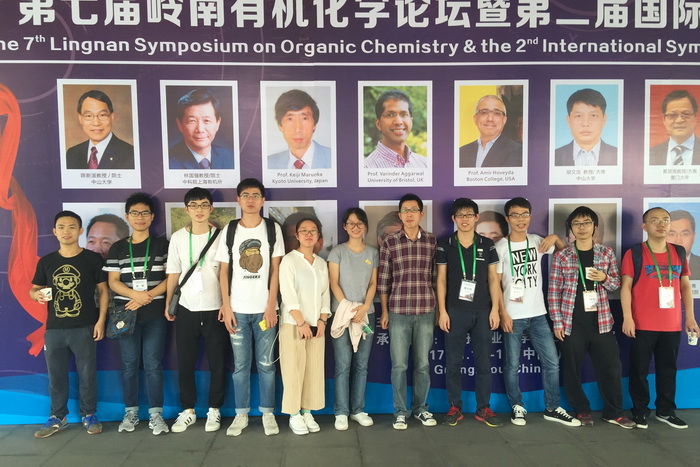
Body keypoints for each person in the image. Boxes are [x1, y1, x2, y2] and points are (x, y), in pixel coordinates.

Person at [495, 197, 580, 427]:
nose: (520, 219)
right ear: (507, 219)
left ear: (530, 217)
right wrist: (503, 313)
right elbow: (494, 284)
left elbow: (566, 255)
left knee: (552, 362)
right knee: (512, 365)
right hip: (512, 315)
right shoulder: (500, 247)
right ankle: (517, 406)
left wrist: (555, 238)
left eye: (524, 214)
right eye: (515, 215)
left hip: (538, 314)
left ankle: (552, 407)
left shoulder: (536, 241)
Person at [548, 206, 634, 428]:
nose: (582, 227)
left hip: (601, 322)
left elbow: (616, 284)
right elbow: (554, 291)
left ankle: (614, 412)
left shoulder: (606, 253)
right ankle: (581, 410)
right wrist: (557, 322)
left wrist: (604, 278)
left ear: (594, 226)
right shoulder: (562, 256)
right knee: (572, 369)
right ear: (571, 228)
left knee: (611, 368)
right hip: (571, 323)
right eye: (576, 223)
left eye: (586, 222)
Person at [215, 178, 285, 437]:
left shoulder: (272, 229)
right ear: (238, 200)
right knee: (240, 366)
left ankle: (268, 412)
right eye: (246, 195)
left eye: (256, 195)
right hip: (237, 311)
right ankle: (241, 413)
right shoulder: (230, 230)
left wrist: (271, 305)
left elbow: (276, 270)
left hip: (265, 311)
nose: (251, 200)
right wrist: (226, 306)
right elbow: (223, 272)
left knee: (267, 365)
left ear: (263, 200)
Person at [30, 211, 108, 438]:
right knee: (56, 376)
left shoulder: (93, 259)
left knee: (87, 375)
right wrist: (36, 295)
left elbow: (103, 291)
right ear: (54, 232)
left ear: (80, 231)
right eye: (62, 227)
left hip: (85, 327)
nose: (66, 231)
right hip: (54, 329)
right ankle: (57, 417)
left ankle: (89, 415)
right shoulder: (46, 262)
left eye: (72, 227)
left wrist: (101, 321)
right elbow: (33, 289)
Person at [620, 207, 699, 429]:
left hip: (671, 324)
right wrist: (627, 317)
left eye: (665, 220)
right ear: (645, 226)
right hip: (642, 323)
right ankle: (640, 411)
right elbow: (625, 287)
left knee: (668, 370)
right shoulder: (635, 253)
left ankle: (665, 411)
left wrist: (690, 317)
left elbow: (685, 286)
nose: (661, 224)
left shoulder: (679, 253)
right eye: (654, 220)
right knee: (639, 371)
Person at [104, 192, 170, 435]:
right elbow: (113, 281)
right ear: (127, 216)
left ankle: (156, 414)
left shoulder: (163, 245)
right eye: (135, 213)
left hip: (155, 313)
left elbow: (171, 278)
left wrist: (147, 295)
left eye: (144, 213)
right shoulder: (118, 248)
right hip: (126, 314)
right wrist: (135, 295)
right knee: (129, 365)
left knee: (153, 365)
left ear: (152, 217)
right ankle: (130, 412)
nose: (140, 217)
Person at [164, 187, 228, 433]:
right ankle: (188, 409)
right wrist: (169, 304)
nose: (199, 210)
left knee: (218, 362)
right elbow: (173, 273)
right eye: (194, 205)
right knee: (186, 362)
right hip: (186, 308)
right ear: (186, 209)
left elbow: (227, 274)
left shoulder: (221, 236)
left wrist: (226, 304)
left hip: (216, 308)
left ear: (211, 208)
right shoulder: (178, 238)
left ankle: (214, 409)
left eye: (203, 205)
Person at [436, 198, 503, 427]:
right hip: (455, 311)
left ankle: (484, 407)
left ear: (476, 217)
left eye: (469, 215)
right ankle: (455, 406)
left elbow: (493, 279)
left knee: (484, 363)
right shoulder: (445, 245)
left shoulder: (487, 244)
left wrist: (495, 310)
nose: (464, 219)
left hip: (483, 311)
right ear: (453, 219)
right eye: (460, 215)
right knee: (453, 363)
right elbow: (441, 280)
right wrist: (442, 311)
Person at [378, 193, 437, 430]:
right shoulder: (390, 242)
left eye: (414, 210)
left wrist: (439, 310)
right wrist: (384, 311)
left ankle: (421, 409)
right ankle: (400, 411)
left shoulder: (431, 241)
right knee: (399, 365)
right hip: (398, 311)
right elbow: (384, 280)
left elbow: (436, 278)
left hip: (426, 310)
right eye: (405, 210)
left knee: (422, 365)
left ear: (421, 213)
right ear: (400, 214)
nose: (409, 214)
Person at [278, 217, 331, 435]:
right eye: (304, 231)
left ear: (319, 236)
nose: (308, 234)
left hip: (316, 325)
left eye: (313, 231)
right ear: (297, 235)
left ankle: (307, 411)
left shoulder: (321, 263)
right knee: (293, 369)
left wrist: (323, 319)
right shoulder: (289, 261)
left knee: (313, 369)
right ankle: (294, 414)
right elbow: (288, 294)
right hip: (294, 324)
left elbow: (325, 294)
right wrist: (301, 322)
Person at [328, 208, 378, 431]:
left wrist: (364, 307)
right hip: (342, 314)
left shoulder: (372, 253)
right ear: (344, 227)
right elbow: (334, 283)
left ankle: (358, 410)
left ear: (365, 226)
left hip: (365, 315)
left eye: (359, 223)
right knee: (343, 365)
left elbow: (373, 283)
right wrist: (349, 309)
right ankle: (341, 412)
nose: (355, 227)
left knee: (362, 366)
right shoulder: (337, 252)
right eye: (351, 223)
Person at [66, 90, 134, 170]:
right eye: (88, 116)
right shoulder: (72, 154)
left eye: (102, 115)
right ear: (80, 118)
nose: (96, 123)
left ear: (112, 117)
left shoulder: (131, 154)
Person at [169, 88, 234, 170]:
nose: (200, 129)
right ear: (180, 125)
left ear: (218, 123)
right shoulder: (167, 161)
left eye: (206, 120)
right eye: (192, 121)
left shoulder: (230, 158)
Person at [267, 89, 332, 170]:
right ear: (280, 126)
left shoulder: (334, 158)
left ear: (314, 124)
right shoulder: (269, 163)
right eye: (290, 119)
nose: (298, 129)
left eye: (304, 118)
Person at [364, 90, 428, 169]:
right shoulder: (367, 168)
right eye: (390, 115)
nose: (398, 122)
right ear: (378, 124)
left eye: (404, 114)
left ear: (411, 121)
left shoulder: (425, 164)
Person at [554, 88, 617, 166]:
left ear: (604, 119)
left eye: (593, 116)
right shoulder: (554, 157)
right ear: (569, 120)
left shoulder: (618, 155)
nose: (585, 124)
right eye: (578, 116)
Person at [459, 95, 522, 168]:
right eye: (484, 112)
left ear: (504, 120)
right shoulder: (461, 152)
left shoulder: (517, 151)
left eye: (497, 113)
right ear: (475, 119)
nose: (490, 119)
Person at [650, 90, 700, 166]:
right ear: (664, 120)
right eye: (672, 115)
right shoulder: (651, 153)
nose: (679, 120)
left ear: (695, 117)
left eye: (686, 114)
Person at [669, 210, 699, 280]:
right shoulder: (652, 265)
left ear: (693, 237)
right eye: (672, 234)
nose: (678, 241)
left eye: (685, 234)